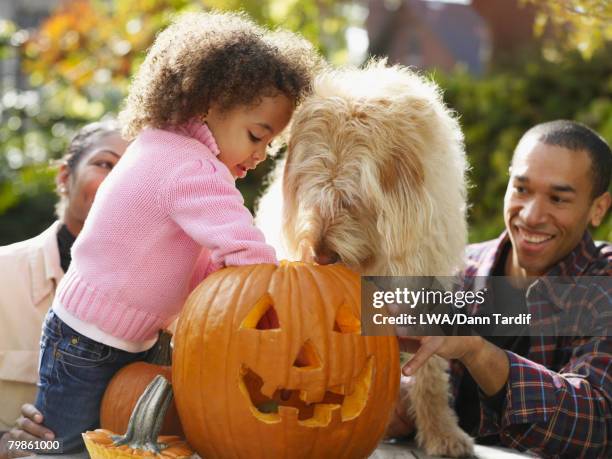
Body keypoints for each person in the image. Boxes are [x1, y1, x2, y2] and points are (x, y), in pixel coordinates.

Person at [32, 11, 319, 453]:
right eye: (256, 135)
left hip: (101, 334)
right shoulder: (191, 167)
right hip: (90, 344)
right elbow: (246, 252)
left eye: (270, 144)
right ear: (209, 104)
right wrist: (281, 319)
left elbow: (200, 262)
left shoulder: (161, 145)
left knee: (98, 444)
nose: (261, 154)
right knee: (64, 448)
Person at [388, 120, 611, 458]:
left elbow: (597, 423)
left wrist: (478, 353)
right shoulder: (461, 269)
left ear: (598, 208)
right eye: (521, 189)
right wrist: (406, 405)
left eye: (558, 199)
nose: (532, 215)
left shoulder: (601, 284)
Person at [0, 120, 129, 456]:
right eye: (105, 164)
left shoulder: (175, 304)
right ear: (63, 177)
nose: (119, 182)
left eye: (134, 171)